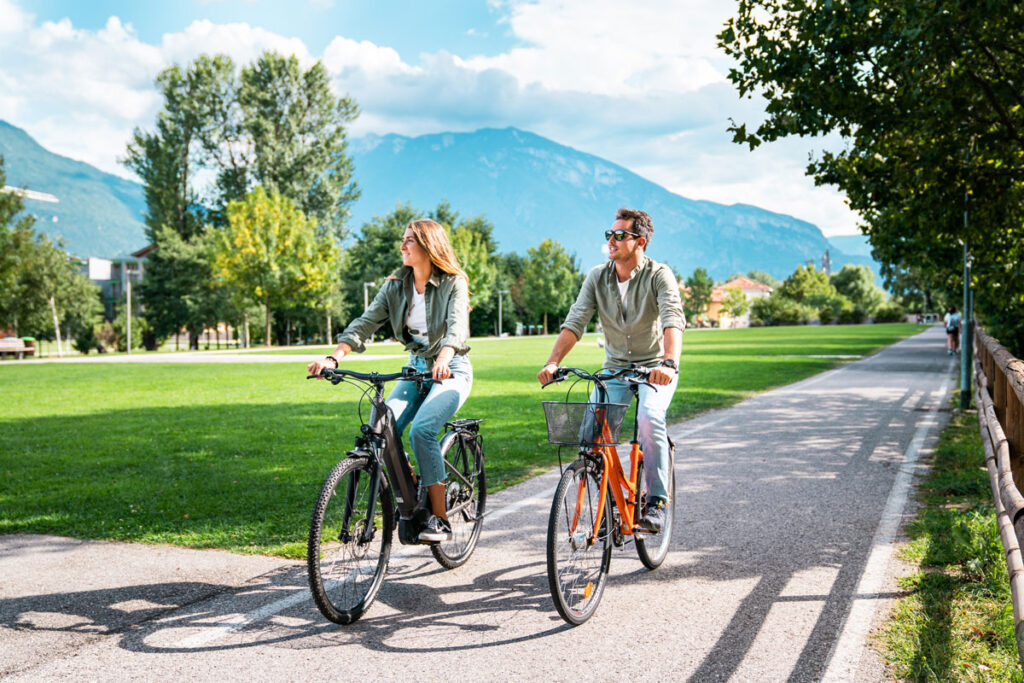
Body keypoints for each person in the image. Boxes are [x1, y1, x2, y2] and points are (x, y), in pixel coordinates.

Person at [307, 219, 472, 543]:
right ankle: (411, 490)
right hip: (414, 369)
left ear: (428, 246)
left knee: (423, 430)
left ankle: (439, 519)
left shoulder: (454, 282)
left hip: (451, 367)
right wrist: (334, 356)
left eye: (410, 240)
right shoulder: (396, 285)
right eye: (403, 239)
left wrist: (443, 356)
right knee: (383, 429)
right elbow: (365, 323)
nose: (403, 245)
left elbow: (457, 326)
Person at [537, 208, 685, 533]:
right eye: (610, 234)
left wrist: (669, 363)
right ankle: (608, 503)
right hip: (615, 368)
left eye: (620, 235)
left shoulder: (659, 275)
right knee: (589, 436)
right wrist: (553, 362)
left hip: (654, 368)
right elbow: (576, 320)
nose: (611, 241)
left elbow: (673, 318)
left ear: (640, 242)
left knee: (649, 419)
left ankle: (656, 502)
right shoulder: (597, 276)